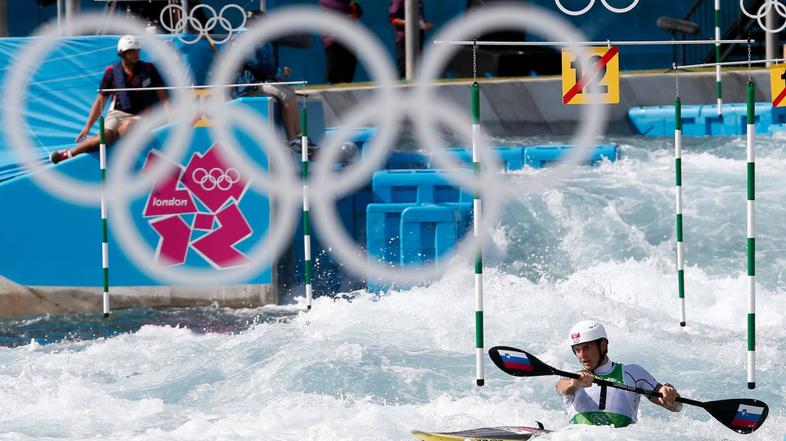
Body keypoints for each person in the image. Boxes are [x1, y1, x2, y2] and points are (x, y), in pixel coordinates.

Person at [50, 35, 168, 164]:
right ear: (123, 54)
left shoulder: (149, 69)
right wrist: (87, 127)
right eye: (132, 51)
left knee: (127, 127)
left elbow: (162, 95)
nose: (136, 54)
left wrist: (169, 116)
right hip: (117, 114)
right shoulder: (112, 72)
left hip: (143, 115)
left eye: (137, 51)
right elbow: (101, 101)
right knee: (104, 137)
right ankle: (68, 154)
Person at [555, 320, 683, 428]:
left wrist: (670, 395)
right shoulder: (570, 374)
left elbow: (676, 407)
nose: (582, 356)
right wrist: (574, 383)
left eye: (587, 347)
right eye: (577, 350)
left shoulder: (633, 373)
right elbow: (561, 388)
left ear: (603, 345)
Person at [231, 11, 312, 154]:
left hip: (255, 82)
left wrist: (277, 73)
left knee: (290, 92)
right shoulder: (245, 37)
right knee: (285, 94)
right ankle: (292, 139)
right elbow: (257, 63)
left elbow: (263, 64)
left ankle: (299, 136)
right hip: (246, 86)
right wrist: (277, 72)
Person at [319, 0, 362, 84]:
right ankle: (328, 94)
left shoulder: (349, 3)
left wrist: (354, 6)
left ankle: (345, 94)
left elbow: (358, 12)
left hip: (349, 38)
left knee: (349, 71)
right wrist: (350, 6)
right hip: (333, 38)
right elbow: (337, 6)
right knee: (334, 72)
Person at [388, 0, 432, 79]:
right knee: (402, 66)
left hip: (418, 37)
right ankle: (394, 88)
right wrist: (409, 23)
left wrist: (424, 25)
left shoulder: (418, 1)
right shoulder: (398, 1)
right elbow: (393, 19)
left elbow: (420, 18)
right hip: (403, 38)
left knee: (418, 67)